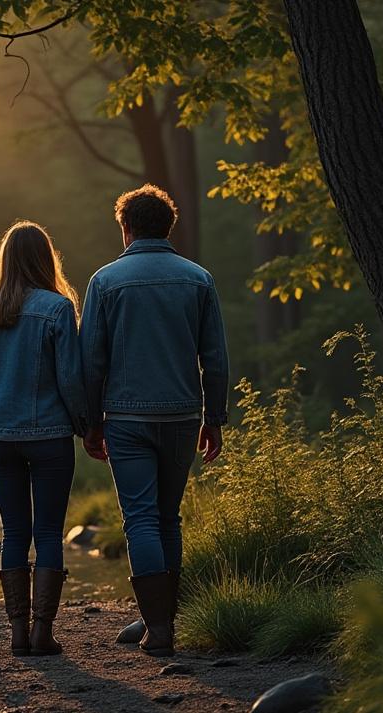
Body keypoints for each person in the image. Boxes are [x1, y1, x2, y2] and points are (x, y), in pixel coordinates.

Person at [80, 185, 229, 657]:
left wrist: (90, 422)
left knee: (140, 519)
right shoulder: (198, 279)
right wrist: (215, 417)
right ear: (169, 226)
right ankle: (168, 625)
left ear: (125, 229)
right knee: (168, 518)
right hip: (184, 416)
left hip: (125, 418)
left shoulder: (105, 281)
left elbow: (91, 361)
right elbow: (216, 358)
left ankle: (158, 629)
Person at [0, 220, 87, 657]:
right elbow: (71, 379)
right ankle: (42, 633)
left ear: (5, 259)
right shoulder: (58, 308)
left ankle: (16, 633)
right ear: (45, 258)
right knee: (49, 531)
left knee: (14, 531)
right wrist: (87, 426)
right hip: (50, 435)